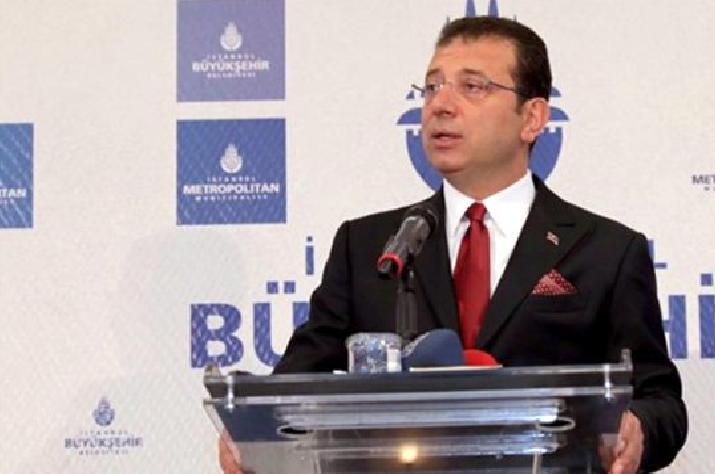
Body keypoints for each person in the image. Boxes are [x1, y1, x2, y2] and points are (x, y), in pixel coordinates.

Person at [221, 16, 687, 474]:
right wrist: (252, 428)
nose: (440, 105)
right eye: (432, 88)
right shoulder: (368, 246)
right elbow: (295, 384)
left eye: (473, 87)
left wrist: (638, 430)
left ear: (532, 118)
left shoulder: (605, 251)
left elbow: (660, 399)